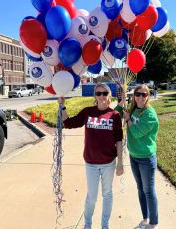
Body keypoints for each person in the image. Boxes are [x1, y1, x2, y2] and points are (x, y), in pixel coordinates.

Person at [58, 83, 124, 229]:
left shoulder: (115, 115)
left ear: (109, 96)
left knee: (107, 194)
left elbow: (119, 140)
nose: (101, 96)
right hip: (91, 163)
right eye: (98, 93)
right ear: (95, 96)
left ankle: (105, 225)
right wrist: (62, 106)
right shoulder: (88, 112)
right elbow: (69, 123)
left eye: (104, 93)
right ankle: (87, 224)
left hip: (109, 163)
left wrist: (120, 162)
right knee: (92, 197)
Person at [115, 84, 159, 229]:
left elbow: (137, 132)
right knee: (140, 189)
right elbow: (116, 115)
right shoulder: (133, 108)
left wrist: (128, 120)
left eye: (143, 95)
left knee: (149, 190)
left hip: (146, 158)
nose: (140, 97)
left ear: (148, 96)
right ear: (133, 95)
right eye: (137, 94)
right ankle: (145, 219)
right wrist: (121, 103)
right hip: (134, 156)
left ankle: (153, 223)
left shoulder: (150, 114)